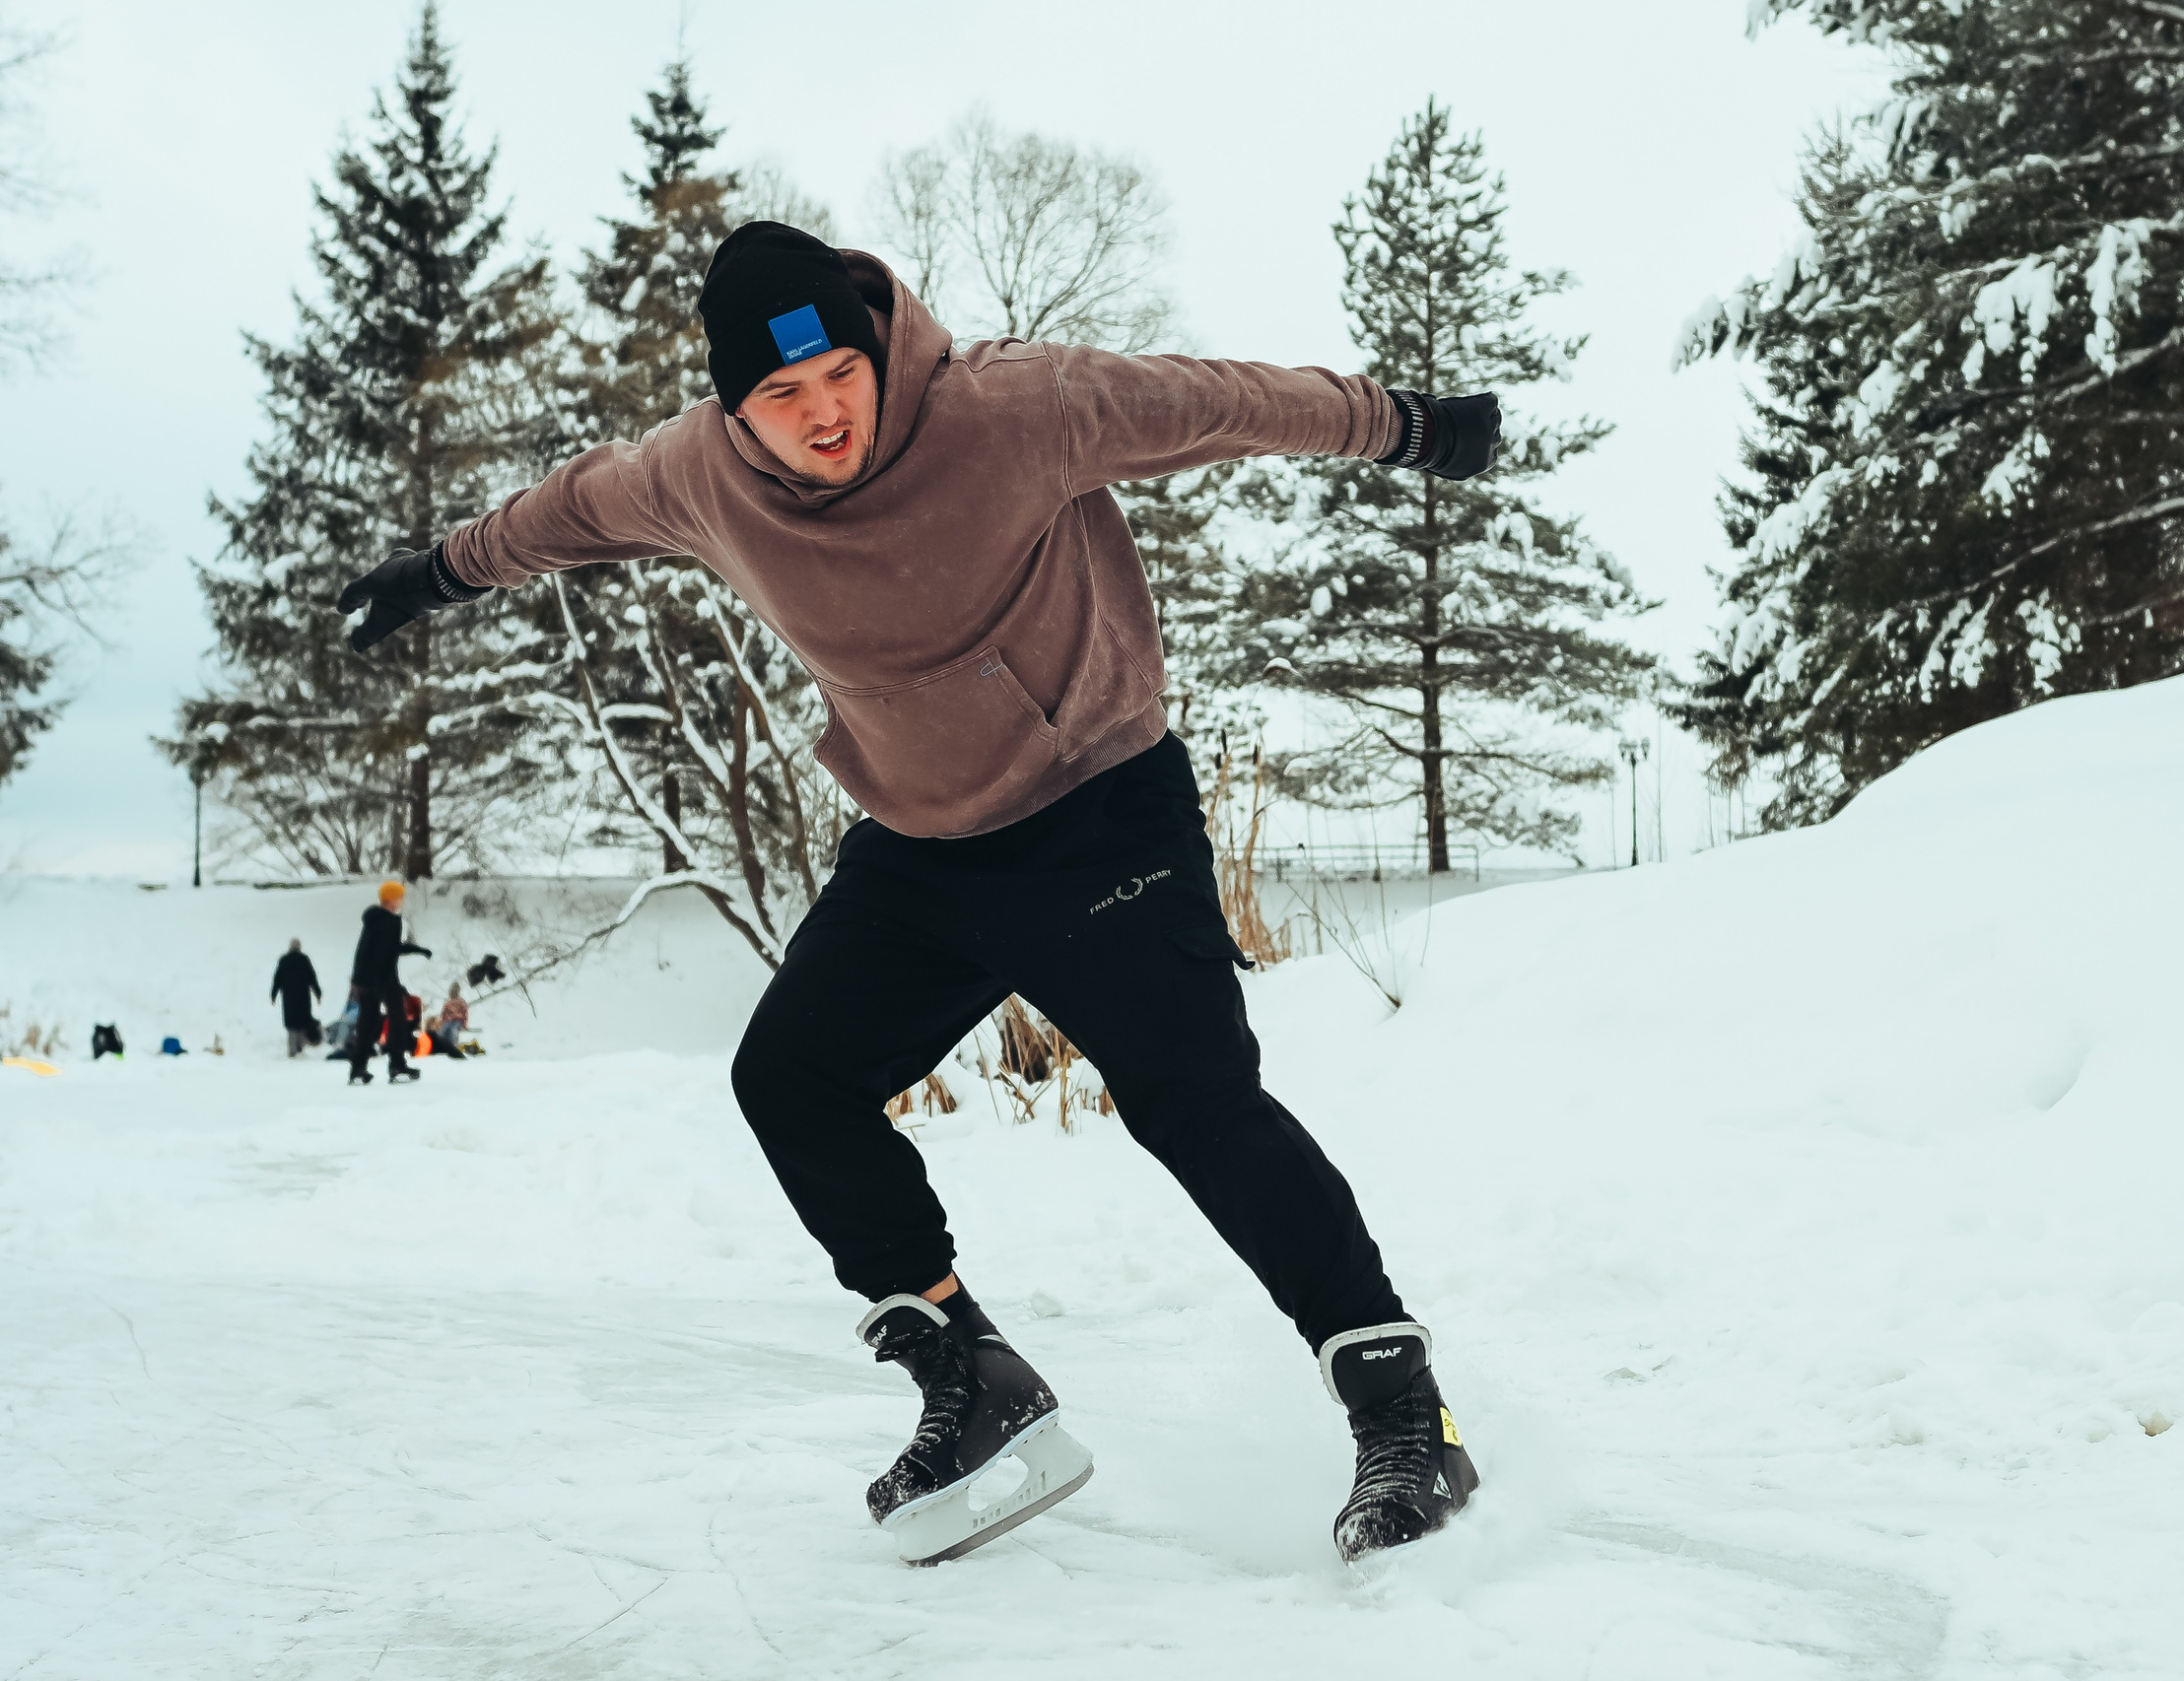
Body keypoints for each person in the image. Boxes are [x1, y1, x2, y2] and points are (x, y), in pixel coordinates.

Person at [335, 223, 1494, 1565]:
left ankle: (1406, 1413)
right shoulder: (700, 478)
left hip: (1099, 812)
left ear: (874, 348)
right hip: (926, 844)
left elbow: (1226, 401)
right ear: (734, 409)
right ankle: (969, 1374)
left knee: (1195, 1104)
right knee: (790, 1077)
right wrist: (436, 571)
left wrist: (1402, 424)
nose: (823, 411)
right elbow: (569, 510)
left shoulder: (1015, 408)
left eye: (839, 369)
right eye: (780, 394)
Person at [347, 880, 431, 1087]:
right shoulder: (391, 921)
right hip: (381, 979)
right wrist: (390, 985)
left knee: (366, 1024)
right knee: (398, 1021)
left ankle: (358, 1070)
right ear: (391, 899)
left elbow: (382, 949)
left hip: (363, 980)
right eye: (400, 896)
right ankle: (397, 1066)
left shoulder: (373, 920)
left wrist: (417, 950)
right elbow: (384, 954)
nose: (402, 900)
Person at [271, 938, 324, 1057]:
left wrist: (273, 994)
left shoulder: (283, 960)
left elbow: (277, 978)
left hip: (289, 998)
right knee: (302, 1022)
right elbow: (312, 977)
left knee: (291, 1025)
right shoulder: (304, 959)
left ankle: (292, 1050)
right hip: (303, 997)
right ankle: (300, 1047)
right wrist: (318, 993)